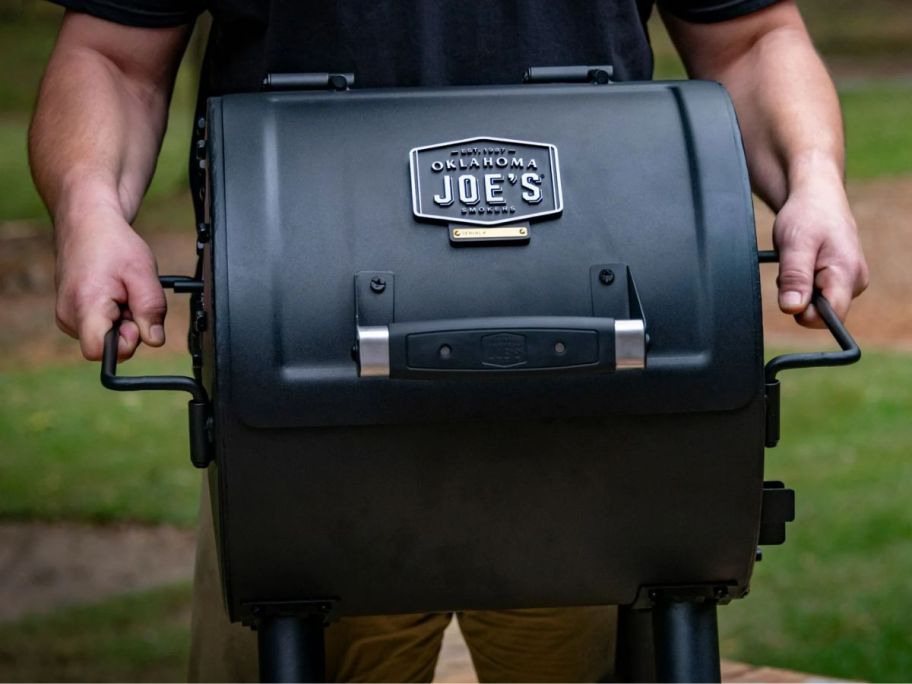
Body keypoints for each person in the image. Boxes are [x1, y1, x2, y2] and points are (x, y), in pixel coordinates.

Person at [29, 1, 869, 681]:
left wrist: (815, 176)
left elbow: (753, 34)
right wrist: (89, 207)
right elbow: (113, 54)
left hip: (593, 387)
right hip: (300, 381)